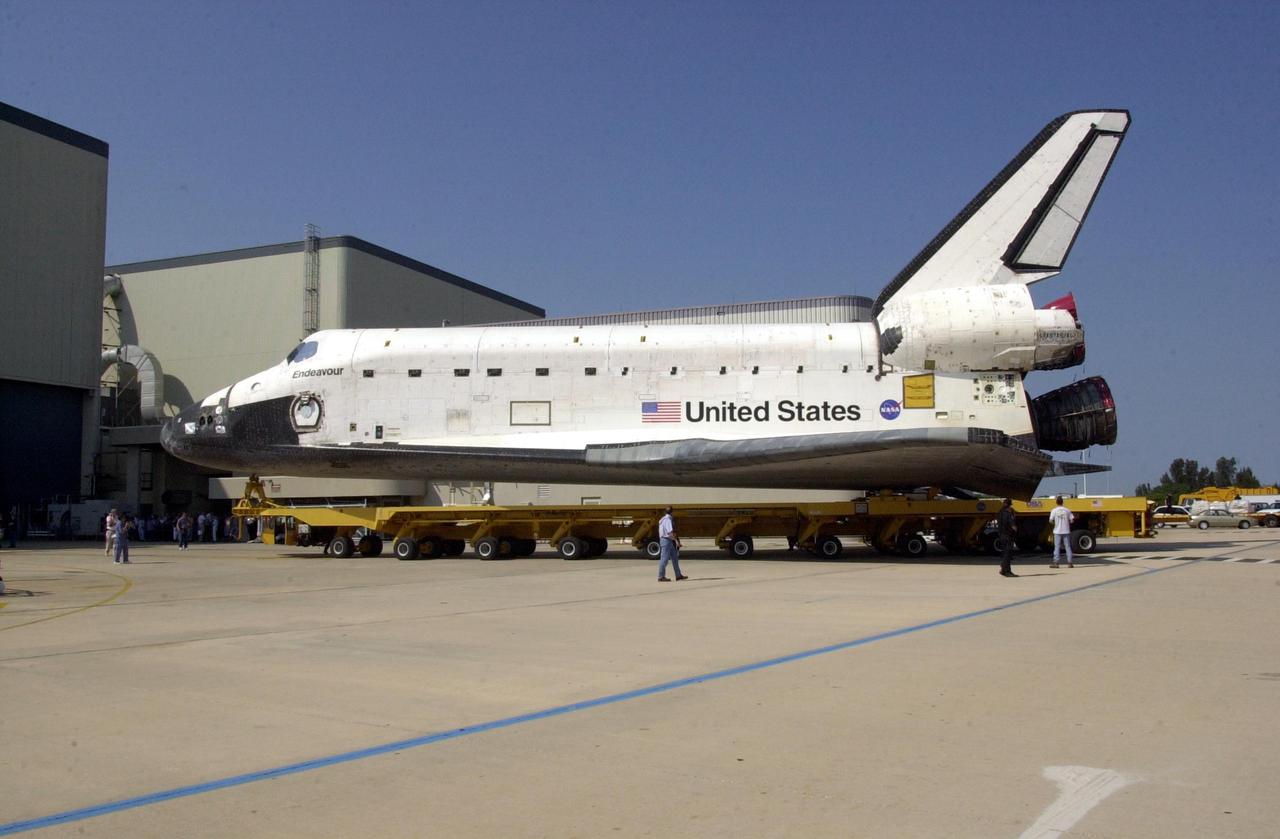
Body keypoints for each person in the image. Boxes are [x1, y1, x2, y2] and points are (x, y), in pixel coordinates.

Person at [657, 506, 687, 582]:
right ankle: (661, 576)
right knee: (664, 559)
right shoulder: (668, 520)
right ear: (672, 512)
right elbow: (670, 532)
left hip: (667, 541)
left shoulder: (662, 519)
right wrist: (676, 541)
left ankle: (678, 575)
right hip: (666, 541)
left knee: (675, 558)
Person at [1049, 496, 1075, 568]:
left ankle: (1056, 563)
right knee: (1068, 547)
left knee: (1057, 547)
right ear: (1062, 502)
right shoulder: (1067, 510)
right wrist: (1067, 522)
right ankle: (1070, 563)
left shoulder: (1054, 510)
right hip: (1066, 531)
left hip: (1057, 531)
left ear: (1056, 502)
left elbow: (1050, 521)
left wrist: (1055, 523)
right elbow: (1072, 520)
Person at [997, 498, 1018, 577]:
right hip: (1008, 536)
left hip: (1001, 535)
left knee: (1005, 553)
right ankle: (1006, 569)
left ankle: (1004, 570)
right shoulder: (1008, 513)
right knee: (1008, 554)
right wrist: (1015, 529)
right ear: (1009, 505)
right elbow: (1012, 525)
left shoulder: (1000, 512)